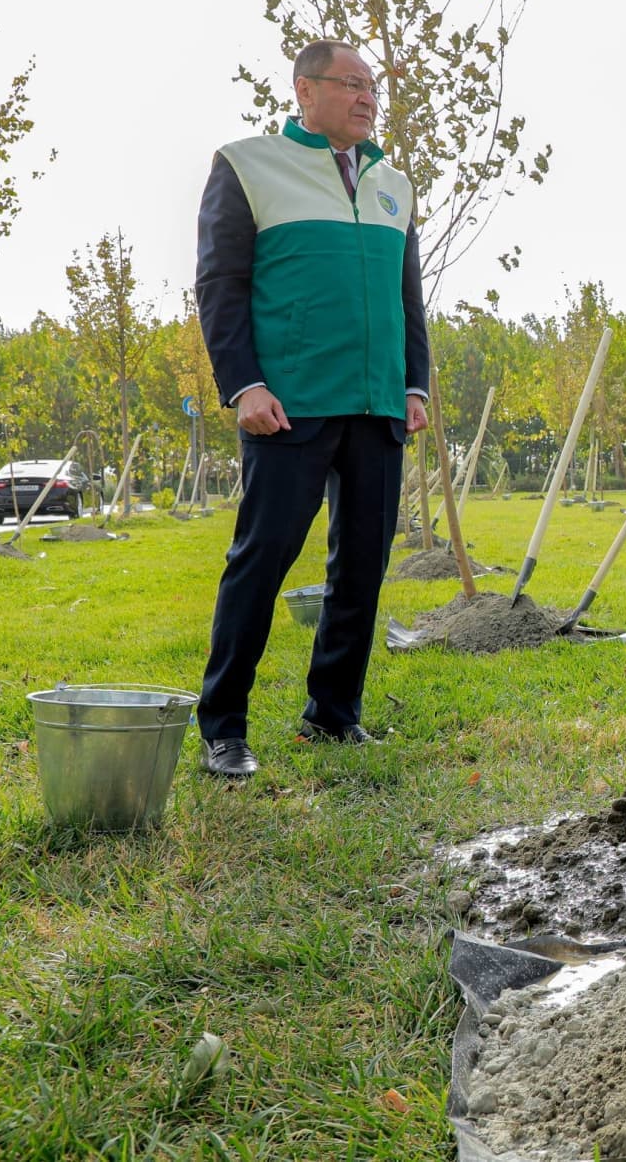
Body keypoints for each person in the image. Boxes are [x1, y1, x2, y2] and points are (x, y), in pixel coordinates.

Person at [193, 39, 430, 779]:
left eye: (372, 87)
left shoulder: (395, 184)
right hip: (287, 405)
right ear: (305, 90)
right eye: (350, 84)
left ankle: (334, 715)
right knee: (261, 563)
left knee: (362, 567)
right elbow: (220, 284)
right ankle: (223, 726)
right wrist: (243, 385)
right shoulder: (248, 164)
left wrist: (414, 384)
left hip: (376, 403)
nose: (366, 97)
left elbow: (407, 296)